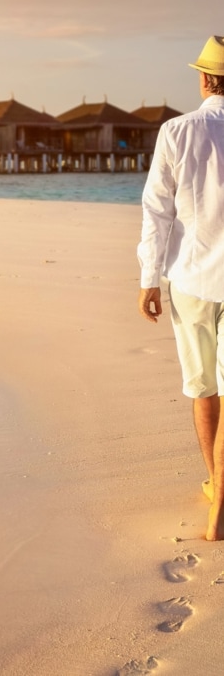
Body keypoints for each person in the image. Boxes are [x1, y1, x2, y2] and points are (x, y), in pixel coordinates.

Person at [138, 35, 224, 541]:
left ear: (205, 79)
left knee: (204, 389)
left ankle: (216, 485)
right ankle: (220, 500)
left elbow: (157, 210)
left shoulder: (177, 130)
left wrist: (149, 277)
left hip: (191, 279)